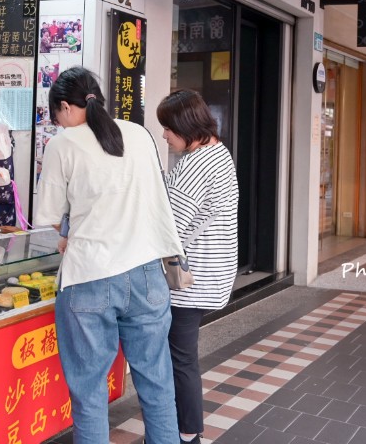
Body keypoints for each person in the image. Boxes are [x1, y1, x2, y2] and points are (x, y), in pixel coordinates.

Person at [35, 66, 183, 444]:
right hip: (148, 273)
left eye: (57, 118)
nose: (59, 125)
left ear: (66, 107)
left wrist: (68, 235)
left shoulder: (61, 146)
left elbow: (47, 220)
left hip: (90, 278)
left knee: (89, 391)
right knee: (156, 380)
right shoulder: (138, 134)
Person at [157, 90, 238, 444]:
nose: (164, 135)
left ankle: (187, 432)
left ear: (184, 126)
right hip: (215, 272)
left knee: (181, 359)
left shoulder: (195, 164)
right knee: (183, 356)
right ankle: (184, 428)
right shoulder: (219, 152)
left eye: (168, 128)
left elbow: (169, 226)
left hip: (190, 280)